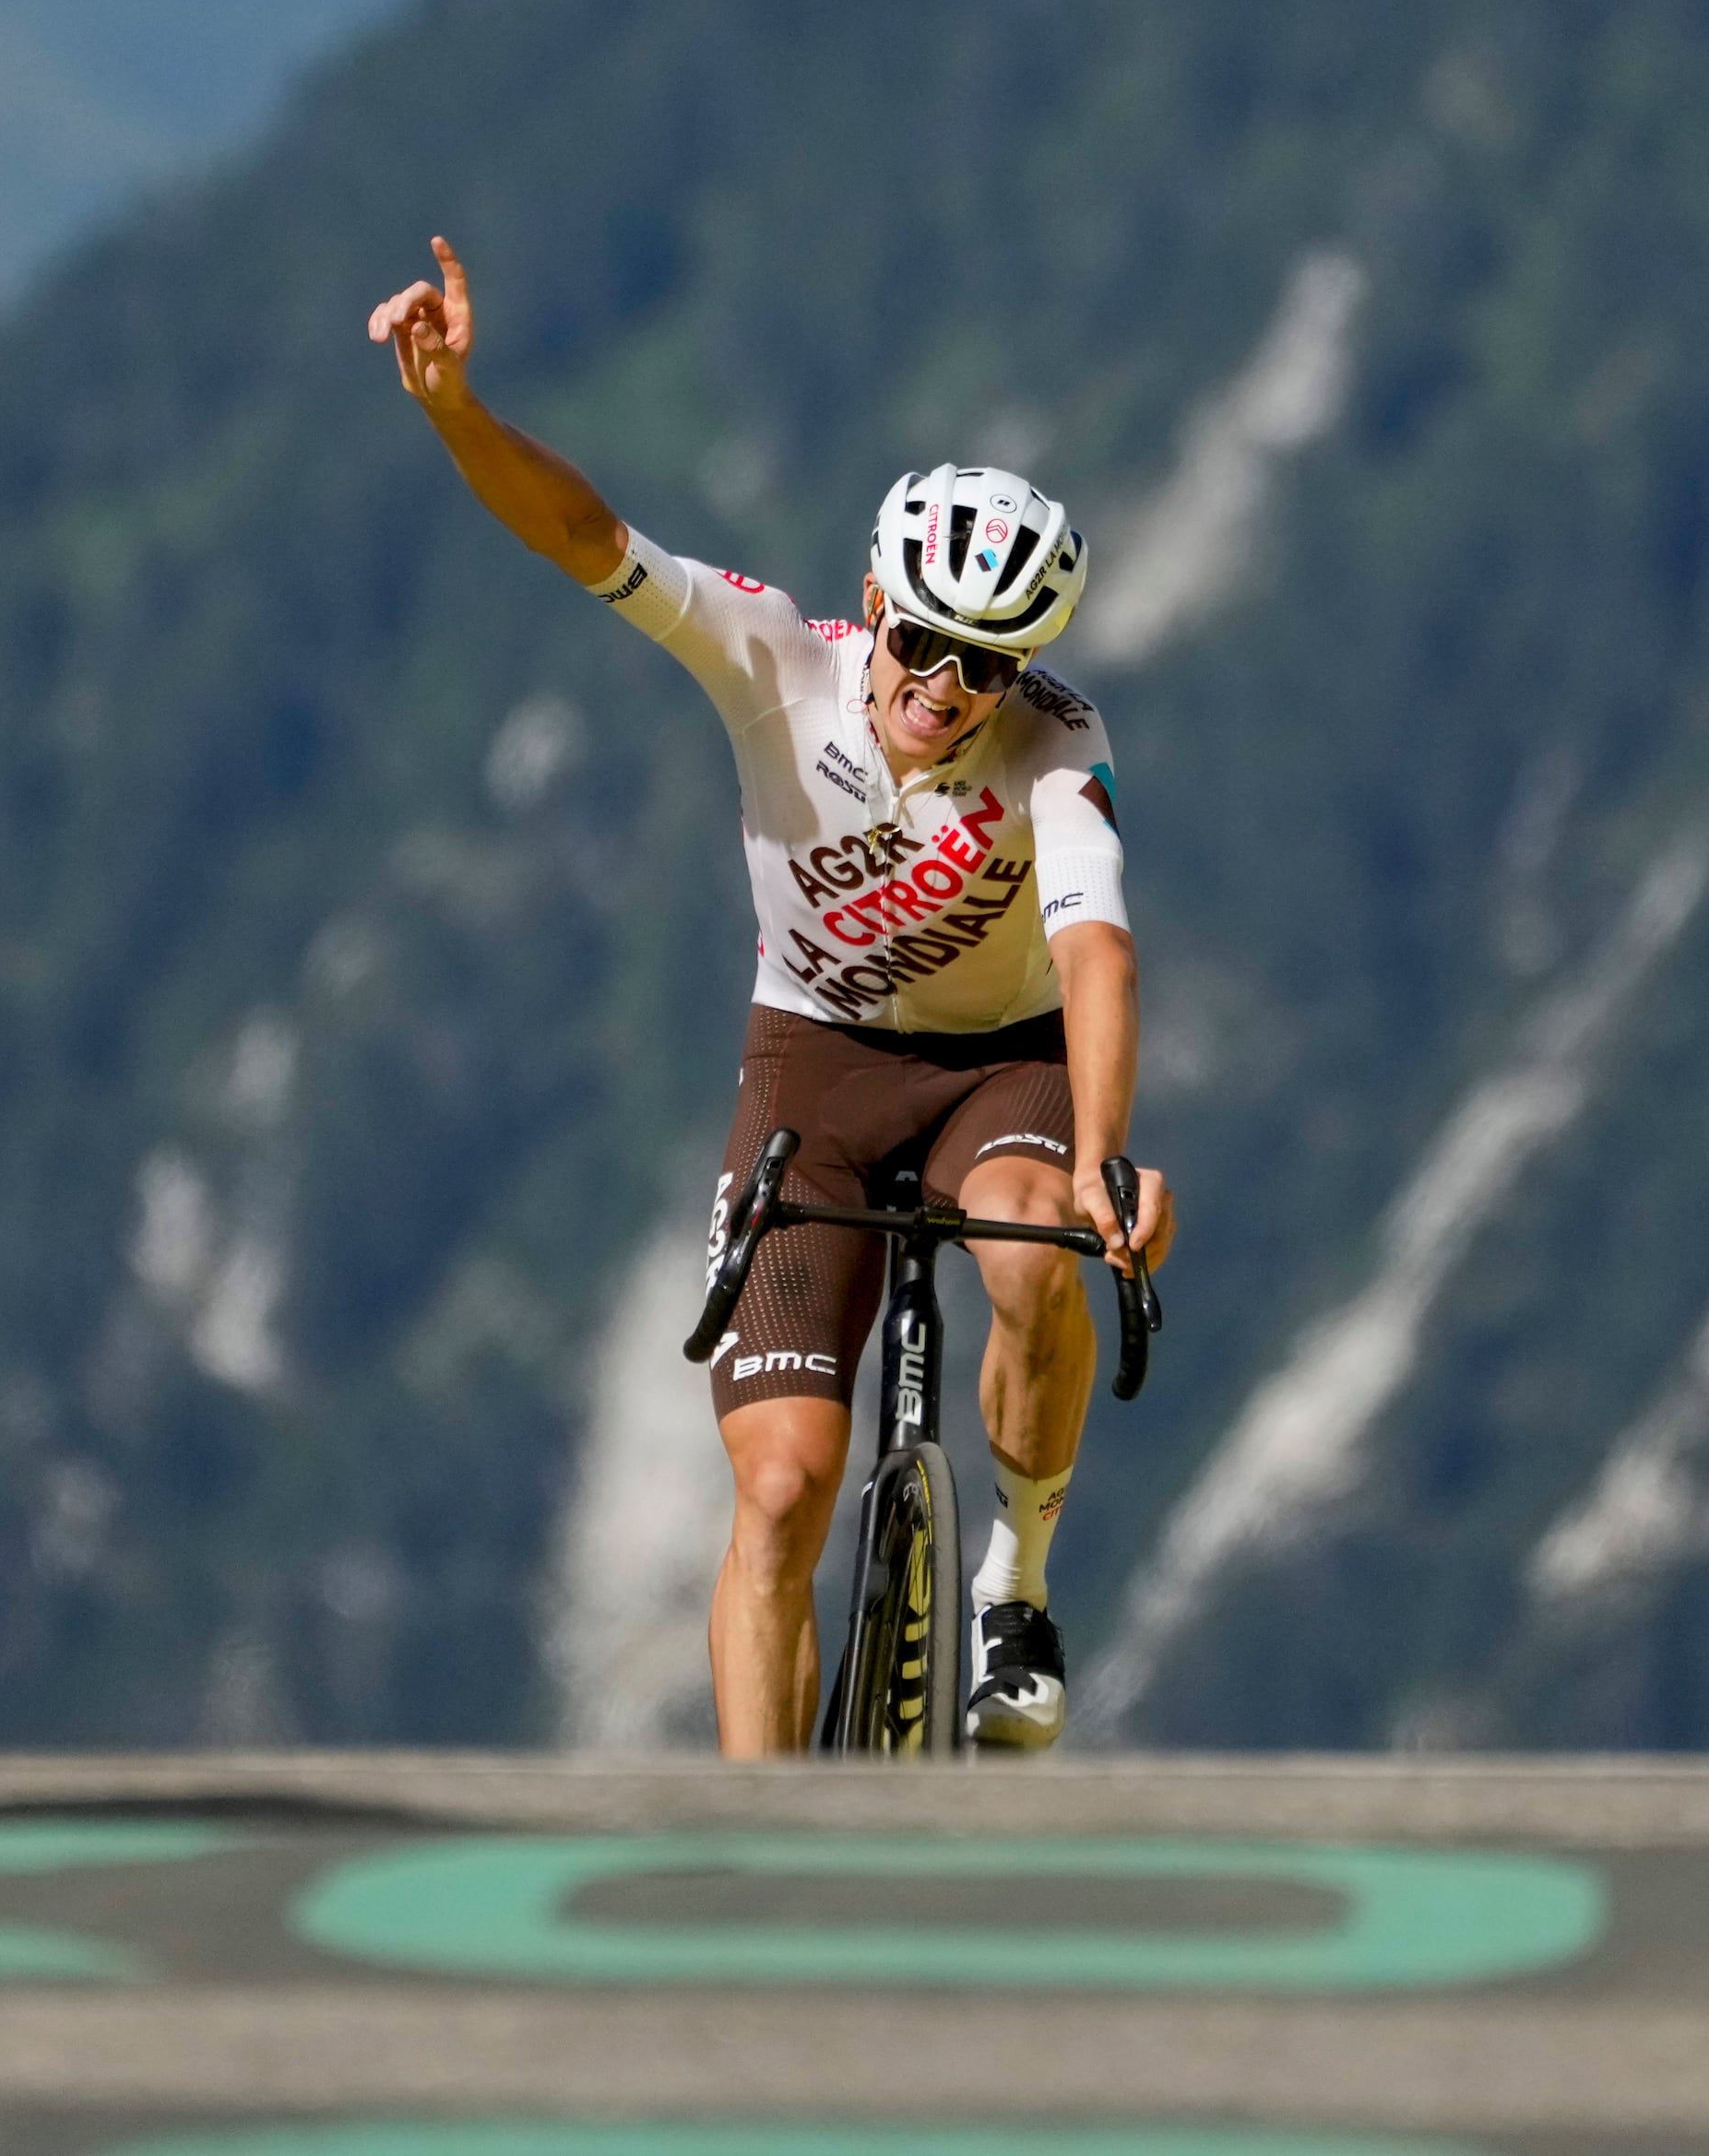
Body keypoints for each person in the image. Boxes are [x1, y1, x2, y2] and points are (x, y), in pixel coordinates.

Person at [367, 235, 1172, 1753]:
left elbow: (1097, 955)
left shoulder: (1060, 746)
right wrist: (458, 411)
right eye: (924, 642)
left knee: (1024, 1260)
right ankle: (755, 1842)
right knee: (788, 1483)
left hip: (1006, 1064)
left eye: (987, 665)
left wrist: (1098, 1160)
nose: (944, 686)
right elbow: (588, 532)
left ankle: (1016, 1585)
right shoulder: (776, 660)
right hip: (815, 1065)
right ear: (874, 602)